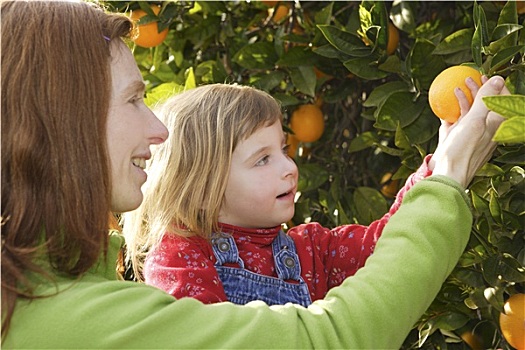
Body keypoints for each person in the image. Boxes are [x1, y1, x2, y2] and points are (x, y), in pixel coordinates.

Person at [1, 1, 508, 349]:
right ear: (62, 118)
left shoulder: (54, 298)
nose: (155, 128)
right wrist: (448, 179)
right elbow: (331, 339)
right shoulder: (102, 309)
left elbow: (381, 246)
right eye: (134, 99)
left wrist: (435, 167)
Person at [123, 83, 473, 306]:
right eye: (262, 160)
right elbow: (202, 337)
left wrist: (439, 163)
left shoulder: (311, 251)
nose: (289, 167)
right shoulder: (182, 256)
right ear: (201, 189)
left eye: (283, 150)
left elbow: (386, 242)